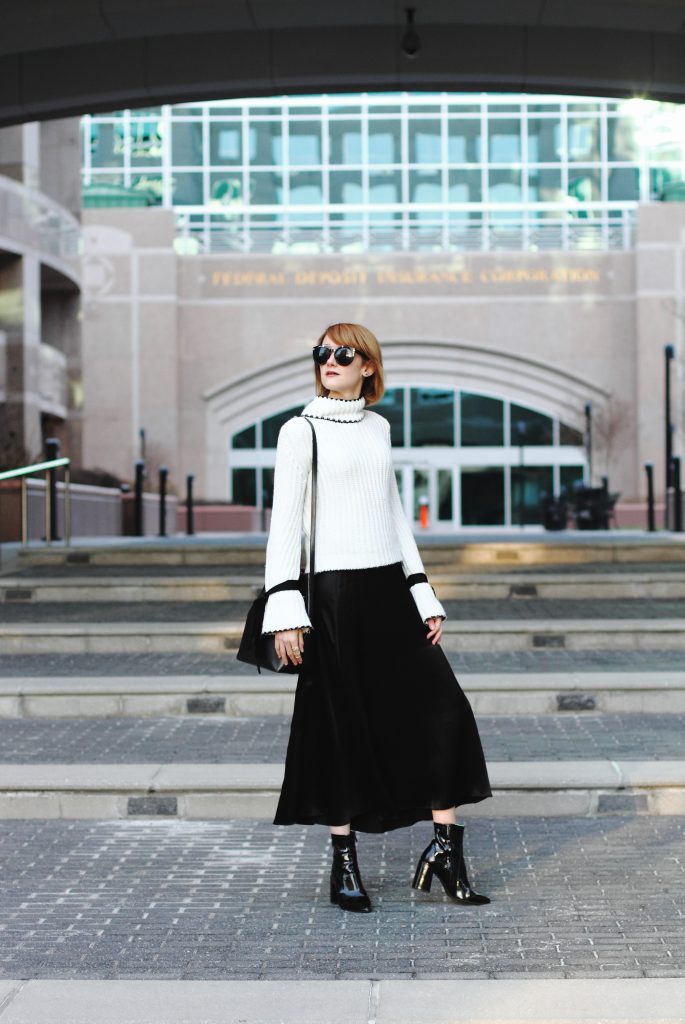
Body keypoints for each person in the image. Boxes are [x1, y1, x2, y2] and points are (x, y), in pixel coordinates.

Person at [261, 322, 492, 913]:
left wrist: (421, 590)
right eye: (321, 352)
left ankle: (445, 851)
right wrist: (285, 608)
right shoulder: (299, 432)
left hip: (389, 589)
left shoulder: (379, 427)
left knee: (443, 711)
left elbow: (391, 513)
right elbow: (284, 525)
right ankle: (343, 858)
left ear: (369, 365)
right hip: (332, 598)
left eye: (344, 353)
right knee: (340, 728)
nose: (329, 361)